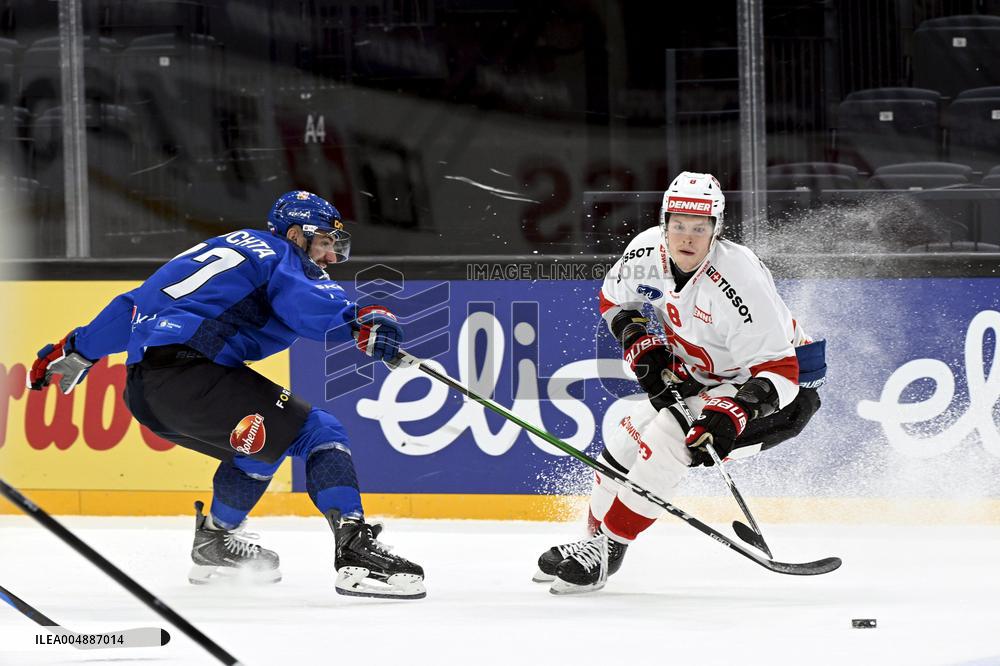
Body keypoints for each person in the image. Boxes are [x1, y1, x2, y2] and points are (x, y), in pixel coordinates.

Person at [27, 191, 426, 600]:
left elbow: (130, 308)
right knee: (319, 431)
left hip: (146, 391)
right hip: (191, 375)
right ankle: (356, 552)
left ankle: (214, 545)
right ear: (296, 234)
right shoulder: (280, 254)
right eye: (323, 243)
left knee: (258, 443)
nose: (328, 257)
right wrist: (360, 319)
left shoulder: (226, 244)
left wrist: (76, 348)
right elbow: (305, 305)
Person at [534, 172, 826, 594]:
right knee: (626, 437)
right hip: (701, 378)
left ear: (716, 229)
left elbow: (780, 373)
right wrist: (640, 340)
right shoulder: (645, 251)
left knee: (670, 435)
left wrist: (734, 412)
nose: (687, 238)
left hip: (774, 391)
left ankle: (609, 551)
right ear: (664, 221)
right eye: (679, 226)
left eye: (700, 228)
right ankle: (592, 543)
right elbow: (615, 299)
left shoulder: (738, 280)